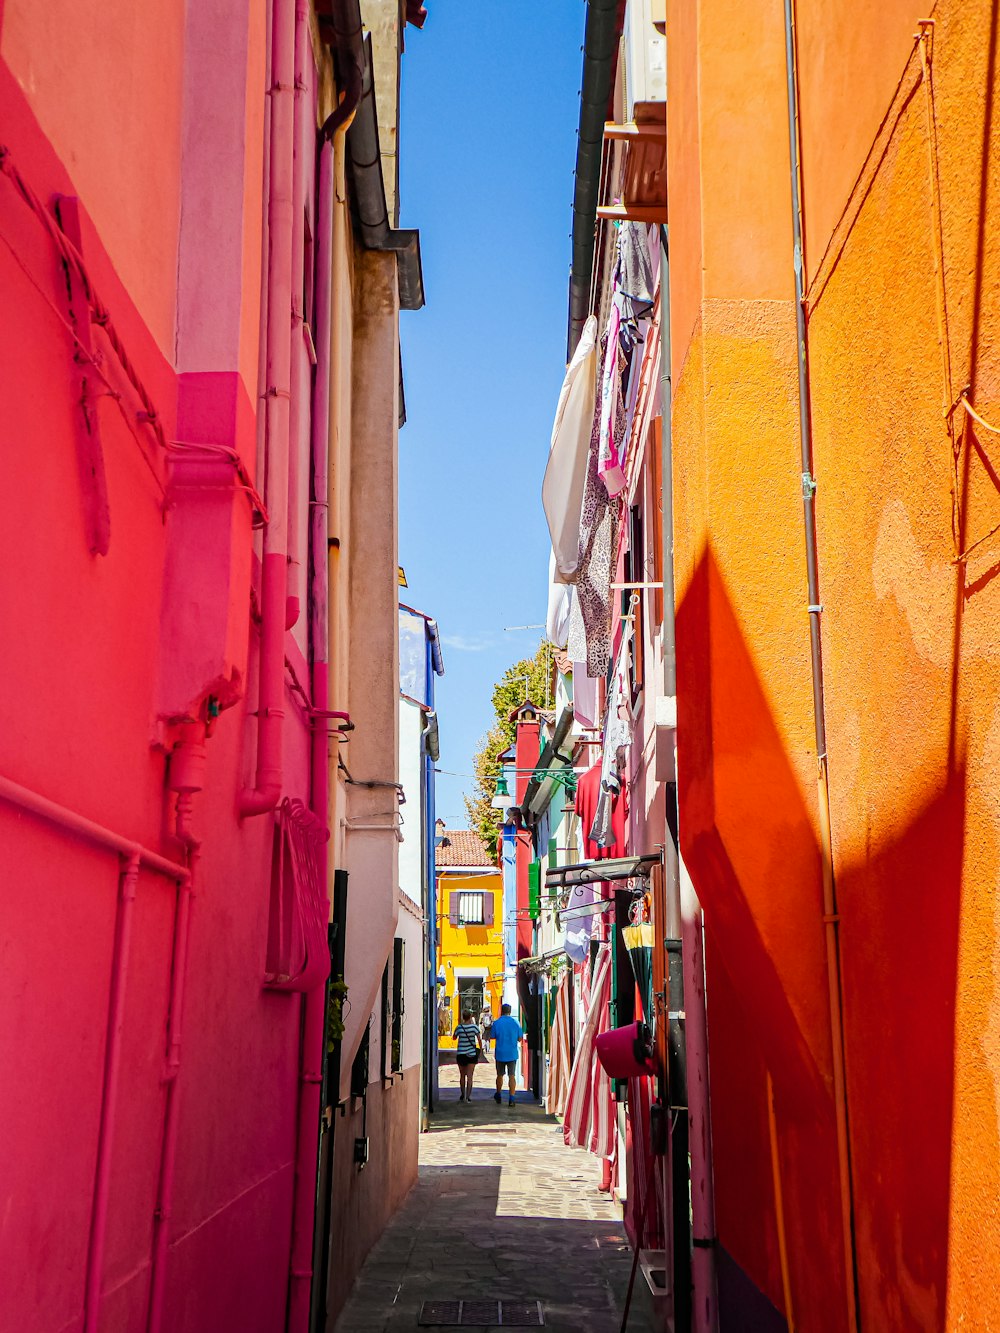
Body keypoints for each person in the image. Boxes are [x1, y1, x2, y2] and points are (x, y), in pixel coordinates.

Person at [491, 1003, 524, 1107]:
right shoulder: (516, 1023)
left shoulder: (497, 1023)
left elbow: (493, 1036)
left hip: (500, 1053)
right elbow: (520, 1038)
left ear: (502, 1010)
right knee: (512, 1076)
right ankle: (512, 1097)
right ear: (510, 1011)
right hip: (512, 1053)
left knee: (499, 1075)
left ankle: (499, 1094)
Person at [453, 1009, 482, 1103]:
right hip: (471, 1054)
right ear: (470, 1017)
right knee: (470, 1076)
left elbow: (454, 1038)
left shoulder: (459, 1027)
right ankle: (468, 1097)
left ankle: (462, 1094)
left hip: (461, 1054)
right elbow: (479, 1039)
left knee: (462, 1075)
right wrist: (480, 1050)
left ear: (463, 1017)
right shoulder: (474, 1027)